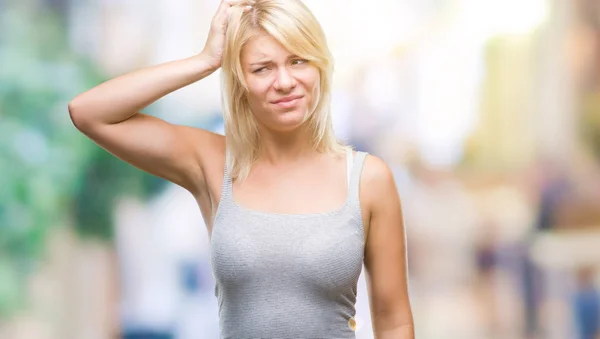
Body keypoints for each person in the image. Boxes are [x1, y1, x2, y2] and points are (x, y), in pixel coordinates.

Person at [68, 0, 414, 337]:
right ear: (240, 82)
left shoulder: (367, 179)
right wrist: (205, 61)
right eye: (262, 68)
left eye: (298, 61)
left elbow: (393, 320)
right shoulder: (212, 162)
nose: (284, 81)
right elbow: (89, 112)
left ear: (320, 67)